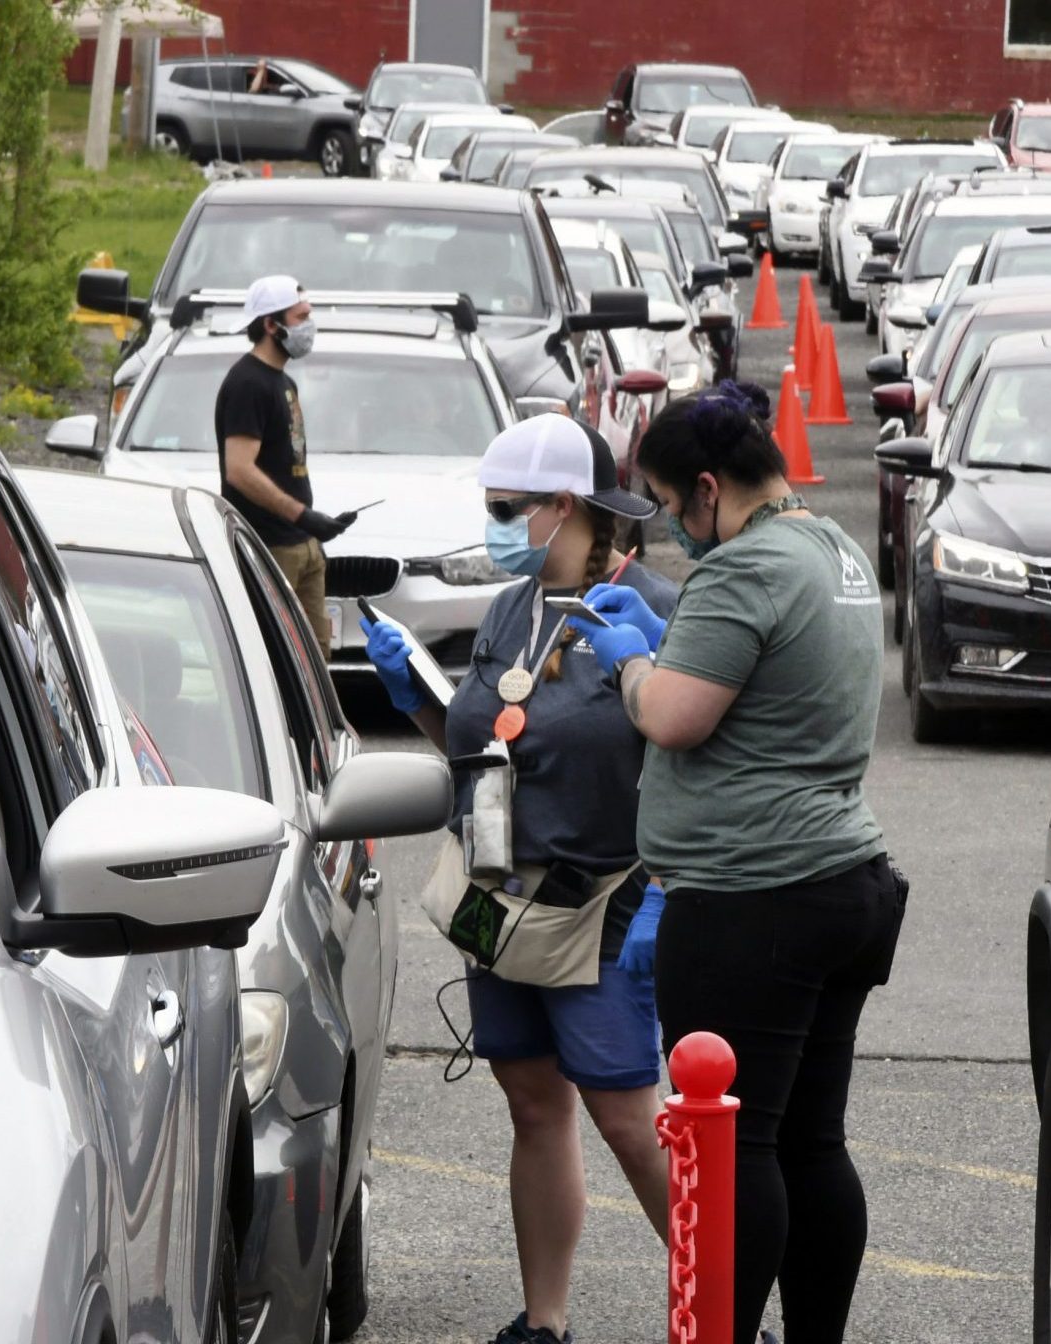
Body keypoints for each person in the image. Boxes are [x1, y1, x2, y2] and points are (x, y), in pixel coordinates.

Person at [569, 382, 906, 1344]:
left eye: (676, 508)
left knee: (733, 1144)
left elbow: (673, 716)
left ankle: (717, 1334)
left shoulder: (746, 569)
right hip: (841, 879)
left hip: (755, 897)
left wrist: (632, 659)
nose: (677, 531)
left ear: (710, 486)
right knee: (810, 1142)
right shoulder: (833, 550)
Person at [363, 413, 675, 1344]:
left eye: (505, 509)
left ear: (565, 508)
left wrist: (670, 892)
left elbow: (693, 753)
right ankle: (544, 1323)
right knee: (534, 1104)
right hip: (498, 903)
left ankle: (725, 1315)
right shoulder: (509, 609)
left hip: (602, 907)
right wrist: (417, 697)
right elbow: (484, 751)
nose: (493, 525)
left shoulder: (653, 608)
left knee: (629, 1118)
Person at [217, 273, 355, 644]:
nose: (308, 326)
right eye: (300, 317)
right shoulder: (248, 384)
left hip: (303, 546)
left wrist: (313, 526)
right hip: (271, 546)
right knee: (279, 654)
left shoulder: (283, 382)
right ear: (270, 324)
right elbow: (240, 470)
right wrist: (302, 515)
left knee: (314, 659)